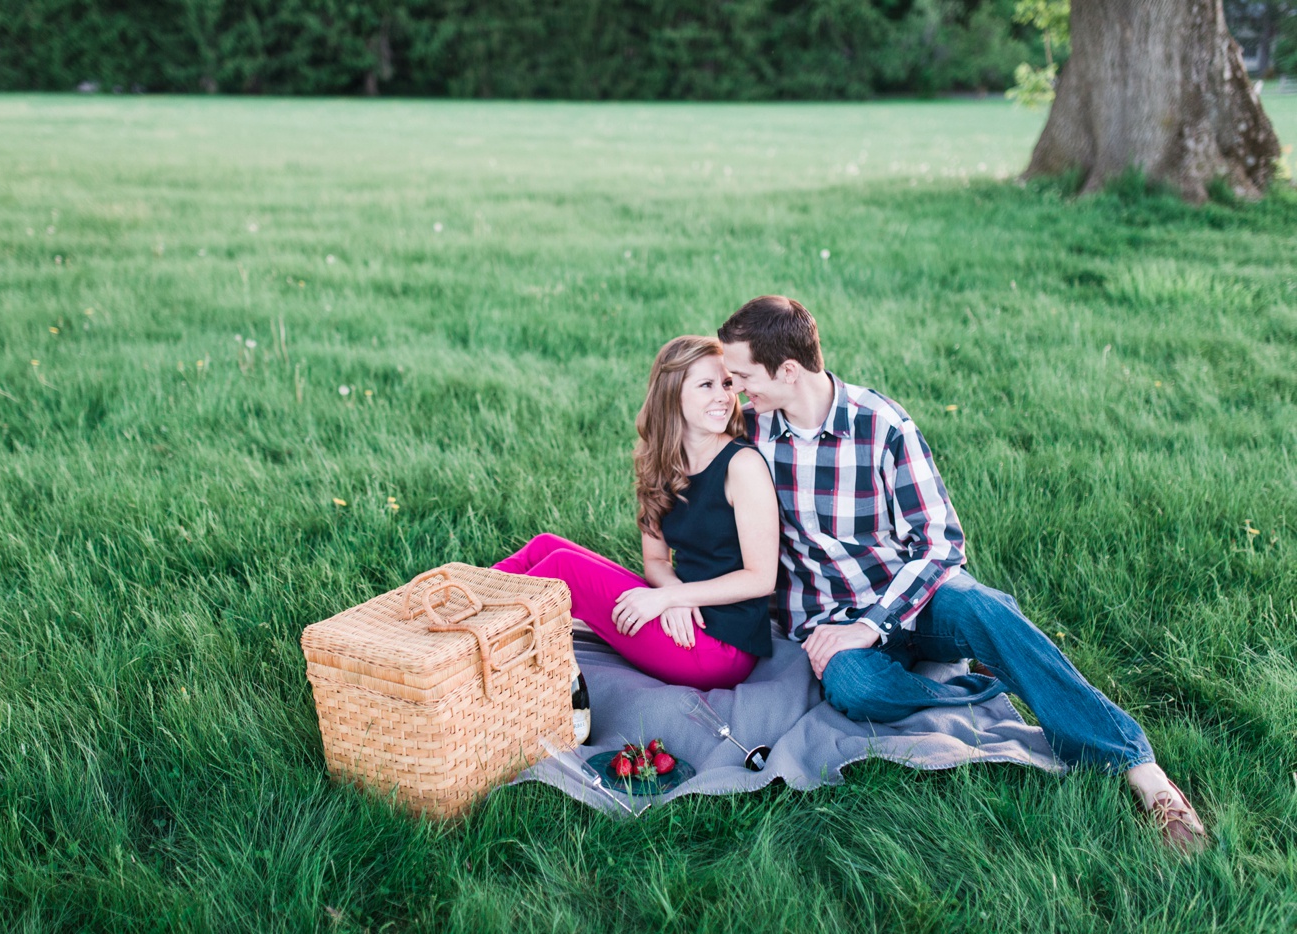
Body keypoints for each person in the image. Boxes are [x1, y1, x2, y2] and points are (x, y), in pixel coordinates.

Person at [717, 295, 1208, 853]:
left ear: (787, 370)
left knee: (985, 608)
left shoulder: (881, 426)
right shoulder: (751, 435)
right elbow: (690, 469)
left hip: (911, 600)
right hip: (828, 618)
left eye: (742, 376)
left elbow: (940, 543)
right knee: (856, 686)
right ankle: (981, 685)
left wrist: (874, 623)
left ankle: (1142, 772)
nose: (735, 389)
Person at [494, 335, 779, 692]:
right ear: (672, 394)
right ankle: (460, 597)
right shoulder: (662, 460)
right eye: (706, 385)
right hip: (685, 612)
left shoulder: (742, 465)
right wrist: (674, 594)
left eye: (726, 384)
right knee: (544, 546)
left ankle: (472, 643)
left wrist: (671, 598)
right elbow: (656, 560)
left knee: (563, 568)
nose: (724, 396)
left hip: (719, 646)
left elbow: (761, 578)